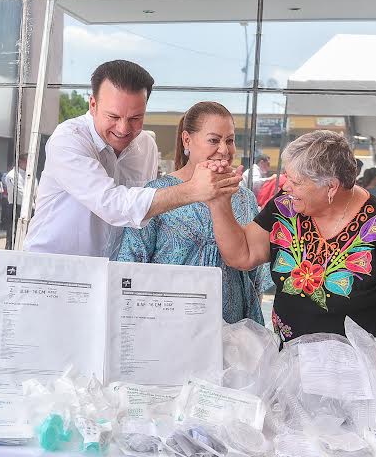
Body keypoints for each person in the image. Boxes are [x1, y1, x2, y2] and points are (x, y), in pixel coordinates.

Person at [208, 130, 376, 341]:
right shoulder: (285, 206)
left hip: (359, 365)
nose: (287, 187)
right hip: (290, 359)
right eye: (287, 178)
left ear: (331, 187)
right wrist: (220, 202)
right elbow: (242, 255)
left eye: (296, 182)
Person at [24, 60, 241, 257]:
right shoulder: (69, 139)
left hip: (110, 273)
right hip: (51, 270)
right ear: (93, 105)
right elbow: (112, 204)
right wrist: (192, 189)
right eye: (113, 116)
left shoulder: (146, 146)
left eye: (135, 118)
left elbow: (142, 219)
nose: (123, 128)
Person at [115, 102, 268, 324]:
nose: (224, 150)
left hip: (232, 332)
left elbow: (256, 278)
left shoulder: (244, 198)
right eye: (214, 140)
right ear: (187, 140)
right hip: (169, 327)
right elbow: (130, 265)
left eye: (230, 140)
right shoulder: (158, 194)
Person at [3, 152, 35, 250]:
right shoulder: (12, 175)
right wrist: (32, 205)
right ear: (20, 162)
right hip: (16, 207)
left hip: (30, 207)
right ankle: (10, 252)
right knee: (13, 233)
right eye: (27, 161)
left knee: (28, 234)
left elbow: (35, 190)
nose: (29, 164)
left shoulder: (30, 174)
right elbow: (20, 193)